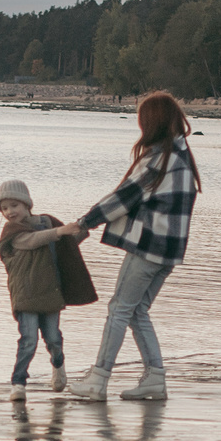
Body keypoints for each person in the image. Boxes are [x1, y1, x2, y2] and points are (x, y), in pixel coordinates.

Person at [60, 90, 201, 402]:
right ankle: (155, 378)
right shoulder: (181, 156)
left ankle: (98, 378)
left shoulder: (159, 160)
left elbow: (122, 198)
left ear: (151, 123)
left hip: (149, 249)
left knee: (119, 309)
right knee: (137, 311)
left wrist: (84, 224)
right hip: (169, 253)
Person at [0, 180, 87, 398]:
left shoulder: (47, 223)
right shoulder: (12, 231)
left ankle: (58, 364)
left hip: (49, 291)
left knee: (53, 338)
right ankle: (18, 384)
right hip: (25, 294)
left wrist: (81, 228)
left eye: (14, 205)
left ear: (27, 204)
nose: (9, 212)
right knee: (28, 340)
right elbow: (32, 241)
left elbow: (65, 244)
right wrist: (60, 231)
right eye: (4, 208)